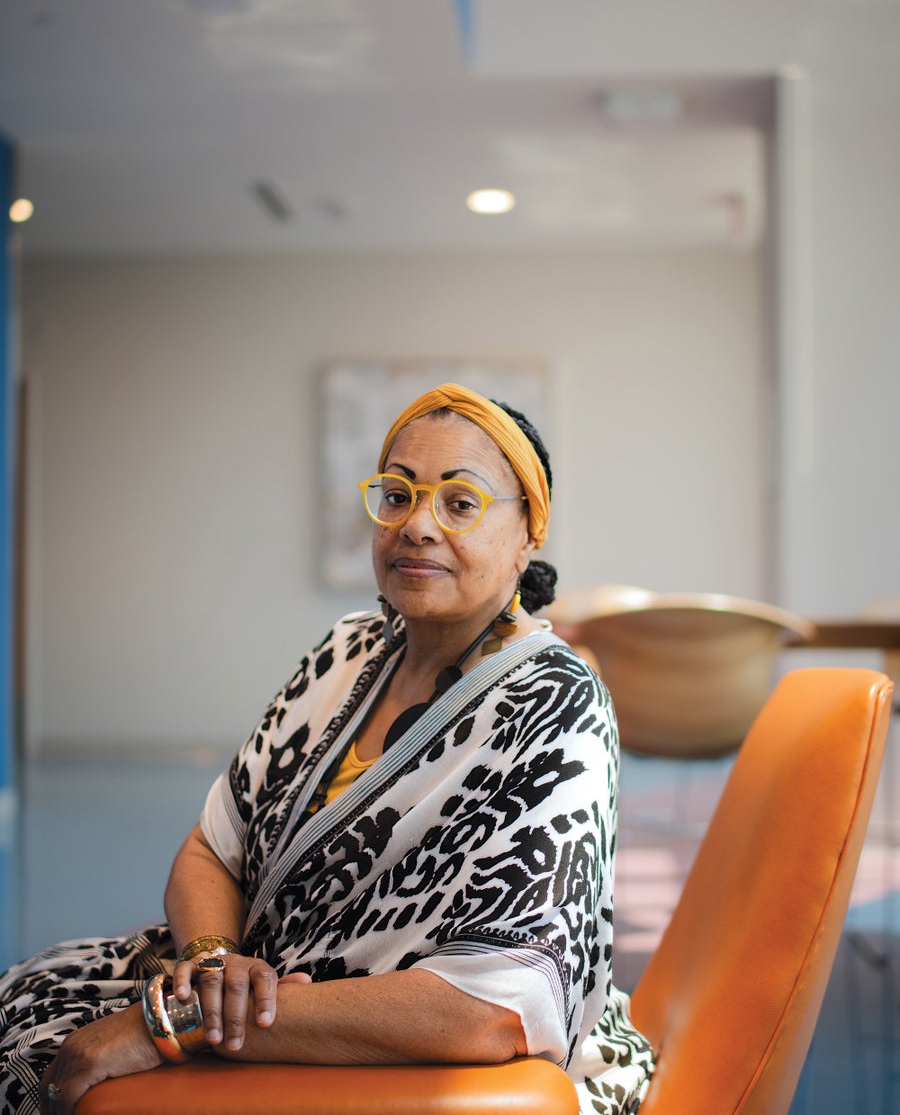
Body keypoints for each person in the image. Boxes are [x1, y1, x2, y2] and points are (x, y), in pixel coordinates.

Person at [0, 382, 654, 1115]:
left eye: (460, 502)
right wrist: (213, 967)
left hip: (397, 1062)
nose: (418, 525)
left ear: (530, 530)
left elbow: (496, 1006)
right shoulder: (346, 652)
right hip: (260, 1007)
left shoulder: (553, 703)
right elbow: (213, 848)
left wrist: (187, 1022)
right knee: (23, 1012)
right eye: (398, 494)